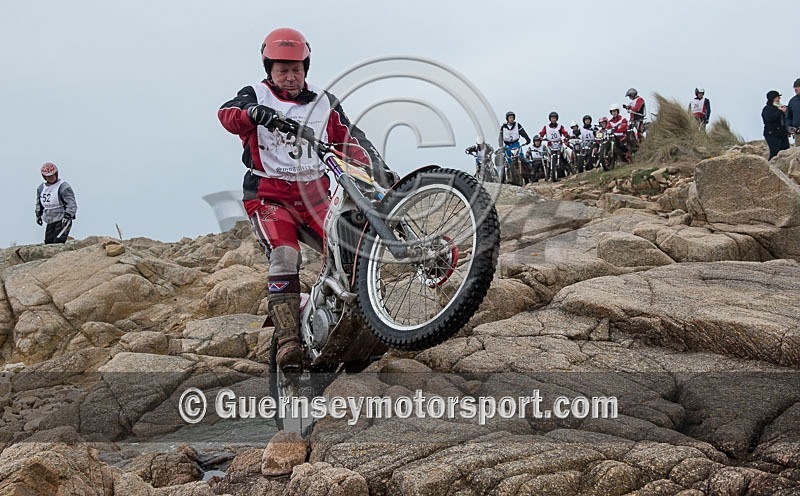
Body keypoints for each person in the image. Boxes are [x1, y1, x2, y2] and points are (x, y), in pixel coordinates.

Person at [218, 27, 393, 373]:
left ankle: (359, 333)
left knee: (354, 254)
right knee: (284, 255)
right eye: (282, 69)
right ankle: (287, 341)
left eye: (296, 69)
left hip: (315, 197)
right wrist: (253, 114)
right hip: (269, 197)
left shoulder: (323, 103)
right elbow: (227, 115)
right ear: (269, 69)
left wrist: (382, 171)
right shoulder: (254, 95)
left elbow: (349, 139)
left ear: (306, 68)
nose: (290, 76)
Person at [35, 162, 77, 244]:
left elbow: (71, 203)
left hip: (62, 219)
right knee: (48, 242)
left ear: (56, 174)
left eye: (52, 175)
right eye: (48, 176)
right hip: (50, 220)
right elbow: (38, 203)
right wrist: (38, 215)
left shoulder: (63, 187)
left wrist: (68, 215)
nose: (50, 178)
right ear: (44, 176)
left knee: (58, 242)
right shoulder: (41, 188)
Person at [498, 111, 532, 181]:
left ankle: (529, 173)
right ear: (507, 119)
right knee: (509, 160)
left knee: (521, 157)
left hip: (516, 144)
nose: (511, 119)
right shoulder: (503, 127)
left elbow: (523, 133)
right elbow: (500, 137)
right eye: (510, 118)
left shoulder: (517, 125)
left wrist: (527, 139)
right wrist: (501, 146)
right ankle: (509, 177)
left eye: (512, 117)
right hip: (507, 145)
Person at [762, 90, 790, 160]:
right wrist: (780, 111)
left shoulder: (781, 107)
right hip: (772, 134)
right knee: (775, 152)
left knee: (786, 151)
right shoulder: (767, 109)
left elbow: (785, 120)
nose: (779, 99)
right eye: (777, 97)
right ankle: (771, 168)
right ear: (773, 98)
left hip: (782, 134)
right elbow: (769, 118)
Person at [786, 78, 800, 147]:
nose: (795, 89)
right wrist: (789, 128)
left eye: (798, 87)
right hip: (798, 134)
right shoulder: (792, 101)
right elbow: (788, 117)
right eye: (795, 87)